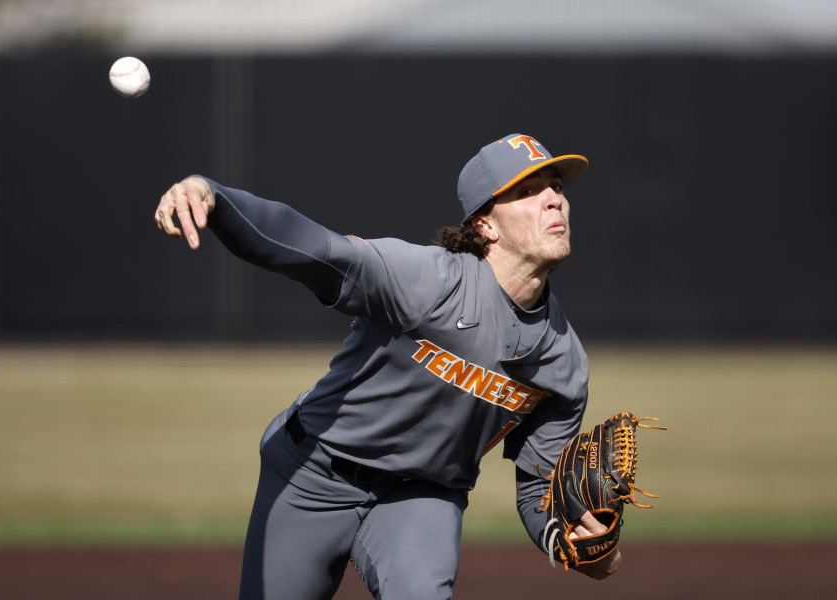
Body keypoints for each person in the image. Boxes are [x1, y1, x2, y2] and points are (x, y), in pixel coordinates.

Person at [154, 133, 620, 599]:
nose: (553, 199)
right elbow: (312, 249)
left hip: (422, 496)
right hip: (312, 473)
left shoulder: (565, 364)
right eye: (528, 191)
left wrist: (576, 539)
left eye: (556, 186)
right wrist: (213, 196)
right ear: (486, 226)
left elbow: (539, 488)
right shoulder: (427, 281)